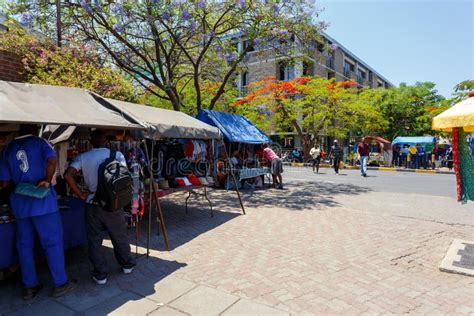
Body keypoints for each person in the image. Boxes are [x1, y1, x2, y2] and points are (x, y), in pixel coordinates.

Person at [0, 125, 76, 300]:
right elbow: (52, 161)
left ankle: (29, 287)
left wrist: (21, 183)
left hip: (20, 204)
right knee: (52, 243)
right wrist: (47, 181)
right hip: (43, 202)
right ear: (35, 128)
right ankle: (60, 283)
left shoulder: (7, 149)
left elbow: (4, 183)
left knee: (24, 246)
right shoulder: (41, 142)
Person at [64, 130, 135, 285]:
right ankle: (127, 265)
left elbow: (68, 175)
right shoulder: (117, 155)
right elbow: (123, 177)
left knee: (94, 240)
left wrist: (80, 193)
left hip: (92, 203)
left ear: (91, 141)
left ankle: (101, 274)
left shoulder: (83, 157)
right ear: (106, 141)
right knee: (119, 235)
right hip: (113, 203)